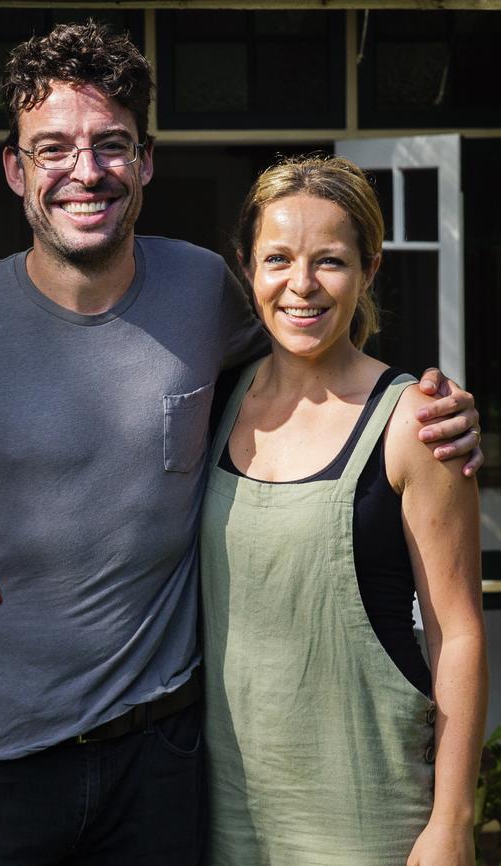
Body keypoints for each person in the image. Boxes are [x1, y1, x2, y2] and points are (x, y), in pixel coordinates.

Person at [0, 19, 481, 866]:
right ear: (15, 168)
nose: (86, 171)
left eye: (112, 145)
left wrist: (432, 405)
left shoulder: (203, 292)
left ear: (145, 162)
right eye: (53, 149)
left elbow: (314, 356)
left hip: (162, 760)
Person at [197, 156, 487, 865]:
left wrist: (451, 820)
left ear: (369, 270)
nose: (301, 284)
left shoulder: (416, 423)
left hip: (368, 811)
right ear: (246, 269)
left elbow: (460, 636)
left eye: (330, 260)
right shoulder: (212, 404)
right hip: (226, 811)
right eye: (277, 259)